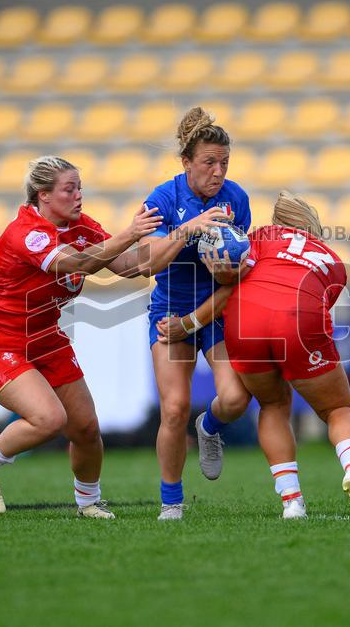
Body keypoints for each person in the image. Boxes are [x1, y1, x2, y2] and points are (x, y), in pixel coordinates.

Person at [159, 192, 350, 519]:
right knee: (337, 408)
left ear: (279, 222)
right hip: (299, 320)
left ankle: (292, 502)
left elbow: (230, 283)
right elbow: (321, 305)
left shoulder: (261, 238)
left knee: (273, 405)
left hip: (245, 321)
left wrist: (187, 323)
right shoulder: (335, 262)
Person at [0, 155, 163, 517]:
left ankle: (88, 503)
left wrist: (186, 233)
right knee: (49, 419)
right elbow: (81, 264)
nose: (79, 196)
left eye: (80, 188)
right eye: (70, 189)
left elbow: (132, 266)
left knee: (85, 427)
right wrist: (130, 232)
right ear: (44, 195)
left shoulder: (81, 226)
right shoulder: (27, 232)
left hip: (44, 337)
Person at [139, 106, 252, 520]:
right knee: (173, 409)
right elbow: (147, 263)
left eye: (224, 163)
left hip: (214, 311)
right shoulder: (163, 198)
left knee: (236, 399)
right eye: (208, 162)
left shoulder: (236, 198)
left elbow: (234, 278)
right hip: (168, 310)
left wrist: (195, 319)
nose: (218, 171)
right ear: (186, 162)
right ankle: (171, 502)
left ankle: (210, 429)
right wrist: (191, 227)